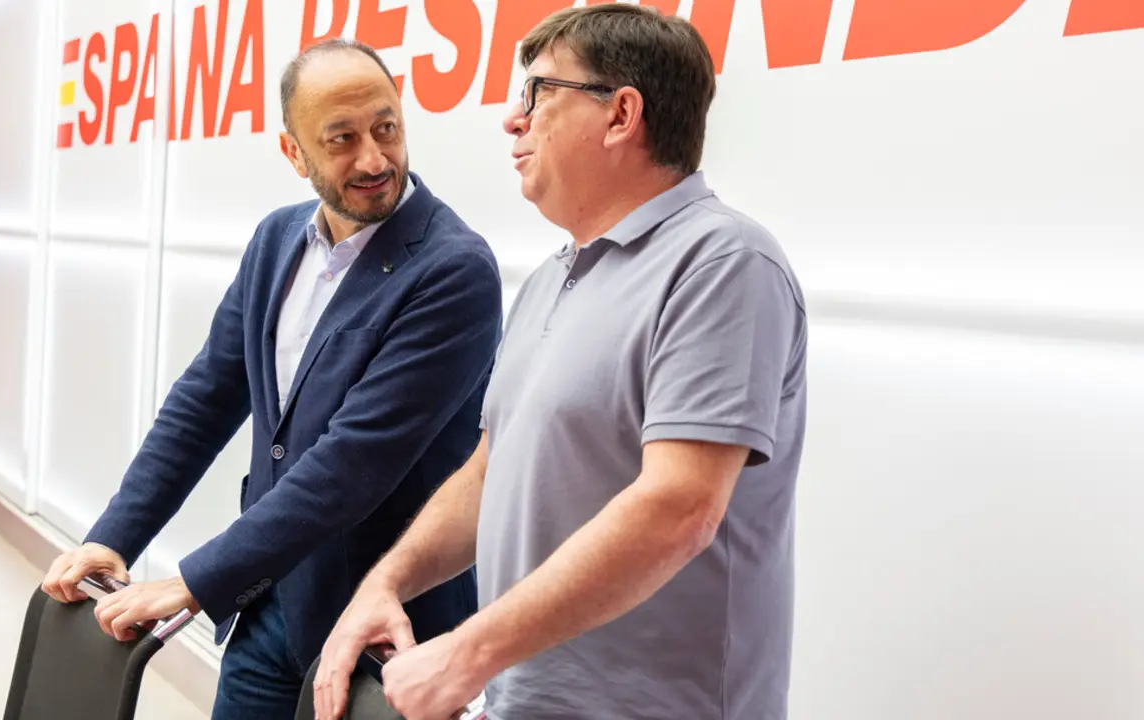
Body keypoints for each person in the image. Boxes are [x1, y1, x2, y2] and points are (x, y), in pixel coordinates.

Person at [312, 5, 808, 720]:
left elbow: (680, 506)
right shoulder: (554, 276)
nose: (514, 121)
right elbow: (489, 469)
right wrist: (386, 583)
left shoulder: (724, 263)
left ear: (620, 115)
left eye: (538, 93)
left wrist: (466, 652)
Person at [40, 38, 503, 719]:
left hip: (381, 636)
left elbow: (352, 464)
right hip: (270, 604)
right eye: (341, 139)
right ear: (294, 153)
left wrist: (195, 582)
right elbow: (204, 402)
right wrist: (114, 536)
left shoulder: (453, 270)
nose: (374, 159)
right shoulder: (277, 241)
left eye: (386, 128)